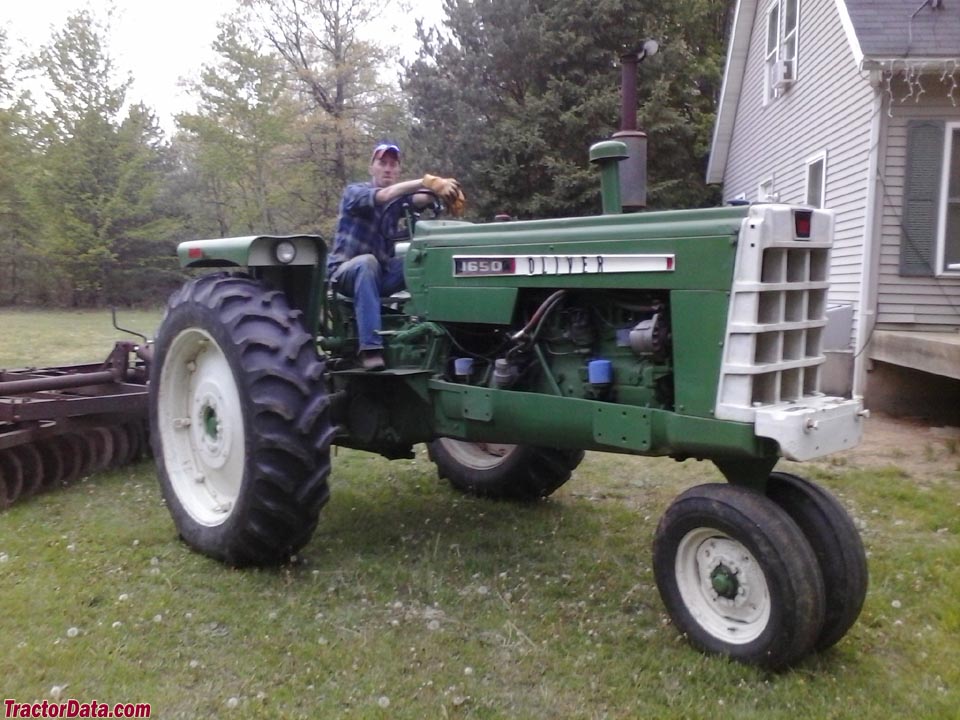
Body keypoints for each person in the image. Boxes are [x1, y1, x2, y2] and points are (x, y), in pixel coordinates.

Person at [328, 142, 465, 371]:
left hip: (380, 276)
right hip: (345, 273)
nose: (388, 169)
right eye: (382, 163)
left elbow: (417, 199)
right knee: (366, 262)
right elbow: (386, 195)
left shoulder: (397, 202)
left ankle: (441, 334)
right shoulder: (355, 192)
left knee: (423, 260)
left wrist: (440, 192)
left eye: (393, 164)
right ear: (371, 167)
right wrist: (426, 181)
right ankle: (370, 348)